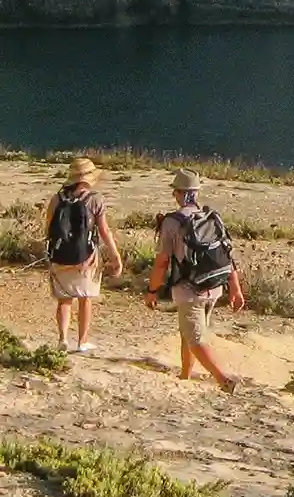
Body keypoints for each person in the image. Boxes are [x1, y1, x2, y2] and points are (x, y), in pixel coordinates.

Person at [144, 169, 245, 393]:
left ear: (179, 193)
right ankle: (185, 374)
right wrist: (235, 289)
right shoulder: (211, 217)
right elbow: (227, 255)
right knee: (188, 333)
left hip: (188, 289)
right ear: (196, 193)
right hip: (214, 286)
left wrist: (152, 290)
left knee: (195, 339)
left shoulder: (172, 222)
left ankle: (223, 379)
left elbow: (162, 261)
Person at [41, 157, 122, 353]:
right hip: (86, 257)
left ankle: (62, 338)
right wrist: (115, 257)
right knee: (85, 298)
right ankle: (82, 341)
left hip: (60, 255)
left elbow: (48, 227)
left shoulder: (57, 199)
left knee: (64, 299)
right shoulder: (95, 199)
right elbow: (104, 231)